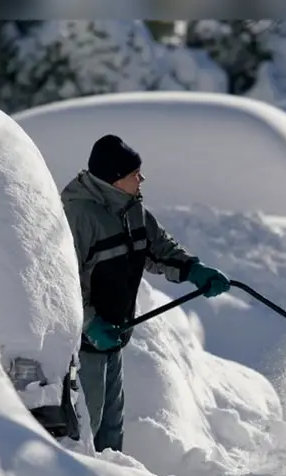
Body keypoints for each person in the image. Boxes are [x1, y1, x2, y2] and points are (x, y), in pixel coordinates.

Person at [60, 134, 231, 453]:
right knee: (84, 429)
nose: (142, 179)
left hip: (114, 334)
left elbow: (159, 248)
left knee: (111, 429)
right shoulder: (78, 215)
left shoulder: (131, 210)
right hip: (83, 343)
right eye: (134, 174)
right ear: (114, 179)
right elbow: (62, 279)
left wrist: (194, 270)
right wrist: (89, 323)